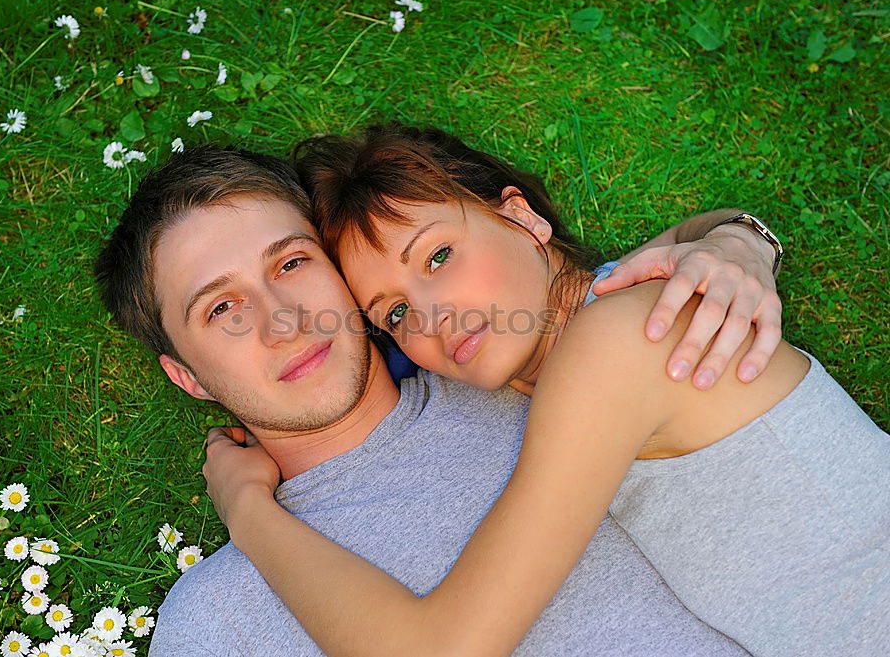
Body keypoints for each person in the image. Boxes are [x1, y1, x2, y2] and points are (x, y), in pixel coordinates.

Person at [203, 125, 890, 657]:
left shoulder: (610, 345)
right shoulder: (611, 306)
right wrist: (736, 235)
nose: (435, 317)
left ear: (524, 219)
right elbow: (695, 234)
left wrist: (247, 506)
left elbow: (440, 648)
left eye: (439, 256)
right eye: (397, 314)